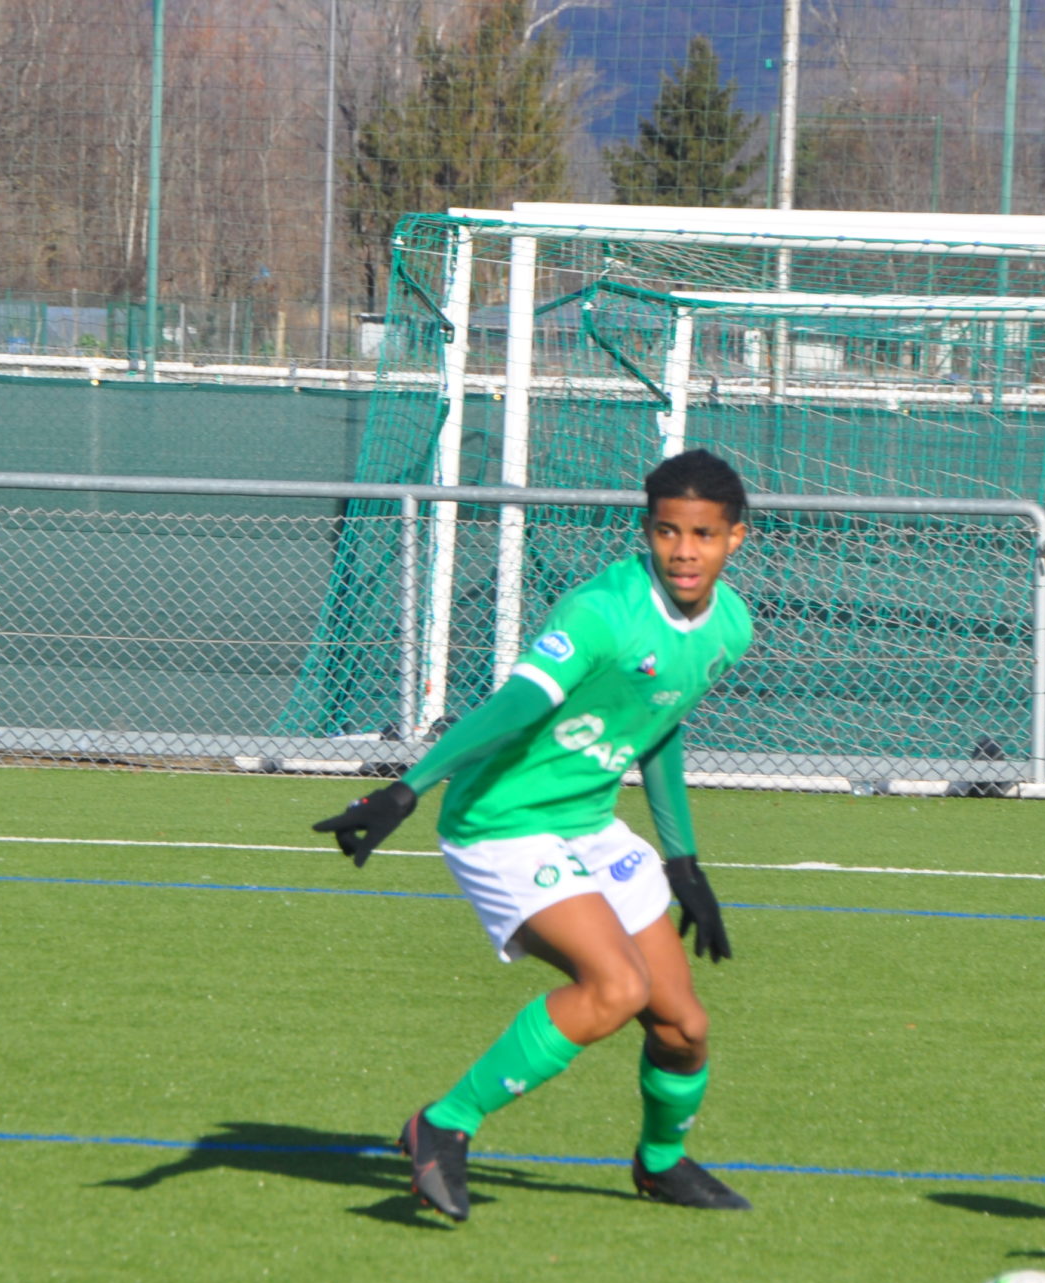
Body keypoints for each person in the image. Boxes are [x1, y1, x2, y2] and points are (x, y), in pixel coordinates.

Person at [313, 449, 758, 1223]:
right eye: (666, 532)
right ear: (645, 531)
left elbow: (657, 722)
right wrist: (408, 787)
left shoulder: (731, 626)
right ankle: (442, 1124)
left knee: (684, 1027)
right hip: (504, 823)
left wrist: (682, 859)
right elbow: (514, 705)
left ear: (736, 539)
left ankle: (659, 1164)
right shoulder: (601, 613)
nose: (684, 551)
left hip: (586, 822)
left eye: (703, 535)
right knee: (616, 989)